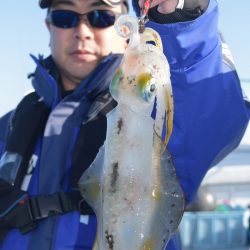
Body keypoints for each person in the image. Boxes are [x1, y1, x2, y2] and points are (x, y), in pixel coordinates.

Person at [0, 0, 249, 249]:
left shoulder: (156, 115)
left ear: (124, 28)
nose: (82, 31)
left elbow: (208, 118)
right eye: (65, 17)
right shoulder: (9, 128)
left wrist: (180, 14)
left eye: (101, 17)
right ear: (48, 26)